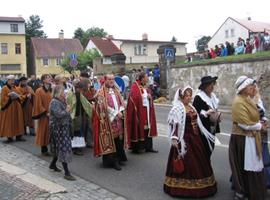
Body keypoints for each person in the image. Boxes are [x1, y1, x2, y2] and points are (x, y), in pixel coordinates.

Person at [164, 86, 216, 198]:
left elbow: (197, 120)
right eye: (186, 96)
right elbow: (175, 124)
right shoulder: (177, 108)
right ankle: (181, 187)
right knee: (186, 161)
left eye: (190, 95)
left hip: (195, 138)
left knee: (200, 161)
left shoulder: (191, 107)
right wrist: (174, 138)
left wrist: (206, 113)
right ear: (182, 97)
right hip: (184, 139)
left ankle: (202, 184)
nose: (189, 98)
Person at [229, 76, 267, 200]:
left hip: (250, 137)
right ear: (243, 88)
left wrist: (261, 122)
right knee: (244, 166)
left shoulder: (248, 99)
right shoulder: (238, 102)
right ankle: (242, 191)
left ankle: (253, 191)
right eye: (250, 86)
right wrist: (260, 126)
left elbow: (255, 115)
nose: (253, 88)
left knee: (253, 164)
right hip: (242, 139)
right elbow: (244, 124)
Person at [93, 74, 128, 171]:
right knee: (111, 141)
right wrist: (116, 113)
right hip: (109, 120)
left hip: (119, 119)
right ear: (105, 80)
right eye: (109, 79)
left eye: (113, 79)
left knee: (118, 140)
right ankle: (112, 161)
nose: (111, 81)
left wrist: (121, 110)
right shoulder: (101, 92)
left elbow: (121, 102)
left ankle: (119, 158)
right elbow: (103, 106)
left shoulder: (117, 90)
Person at [126, 72, 158, 153]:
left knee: (148, 128)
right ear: (142, 78)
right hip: (140, 111)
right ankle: (138, 147)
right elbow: (134, 97)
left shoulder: (146, 86)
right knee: (141, 128)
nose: (148, 79)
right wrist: (142, 97)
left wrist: (150, 97)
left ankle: (148, 147)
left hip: (147, 111)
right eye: (146, 77)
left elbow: (148, 95)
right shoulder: (135, 86)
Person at [49, 85, 75, 181]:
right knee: (63, 148)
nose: (65, 93)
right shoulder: (54, 102)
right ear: (59, 93)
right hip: (58, 129)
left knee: (59, 147)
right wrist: (67, 111)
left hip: (64, 128)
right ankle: (67, 173)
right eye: (63, 92)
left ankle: (52, 164)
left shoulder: (62, 101)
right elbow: (59, 114)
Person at [193, 76, 220, 157]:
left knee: (210, 149)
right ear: (205, 86)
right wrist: (206, 113)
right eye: (210, 85)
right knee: (204, 151)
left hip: (212, 128)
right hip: (203, 130)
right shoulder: (199, 97)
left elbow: (215, 109)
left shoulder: (213, 97)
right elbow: (195, 115)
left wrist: (217, 115)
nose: (212, 87)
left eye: (213, 84)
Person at [0, 75, 25, 143]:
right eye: (11, 80)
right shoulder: (4, 88)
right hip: (8, 108)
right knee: (9, 122)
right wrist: (10, 98)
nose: (13, 82)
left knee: (18, 121)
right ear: (8, 81)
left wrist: (18, 97)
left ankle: (18, 136)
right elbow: (2, 99)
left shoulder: (15, 88)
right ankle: (9, 137)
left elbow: (21, 96)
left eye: (13, 80)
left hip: (16, 108)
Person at [32, 74, 52, 156]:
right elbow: (38, 103)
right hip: (44, 115)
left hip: (52, 114)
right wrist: (45, 112)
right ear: (43, 80)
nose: (50, 79)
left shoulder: (52, 89)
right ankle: (44, 149)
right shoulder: (39, 91)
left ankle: (52, 148)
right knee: (44, 131)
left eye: (50, 77)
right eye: (47, 78)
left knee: (51, 131)